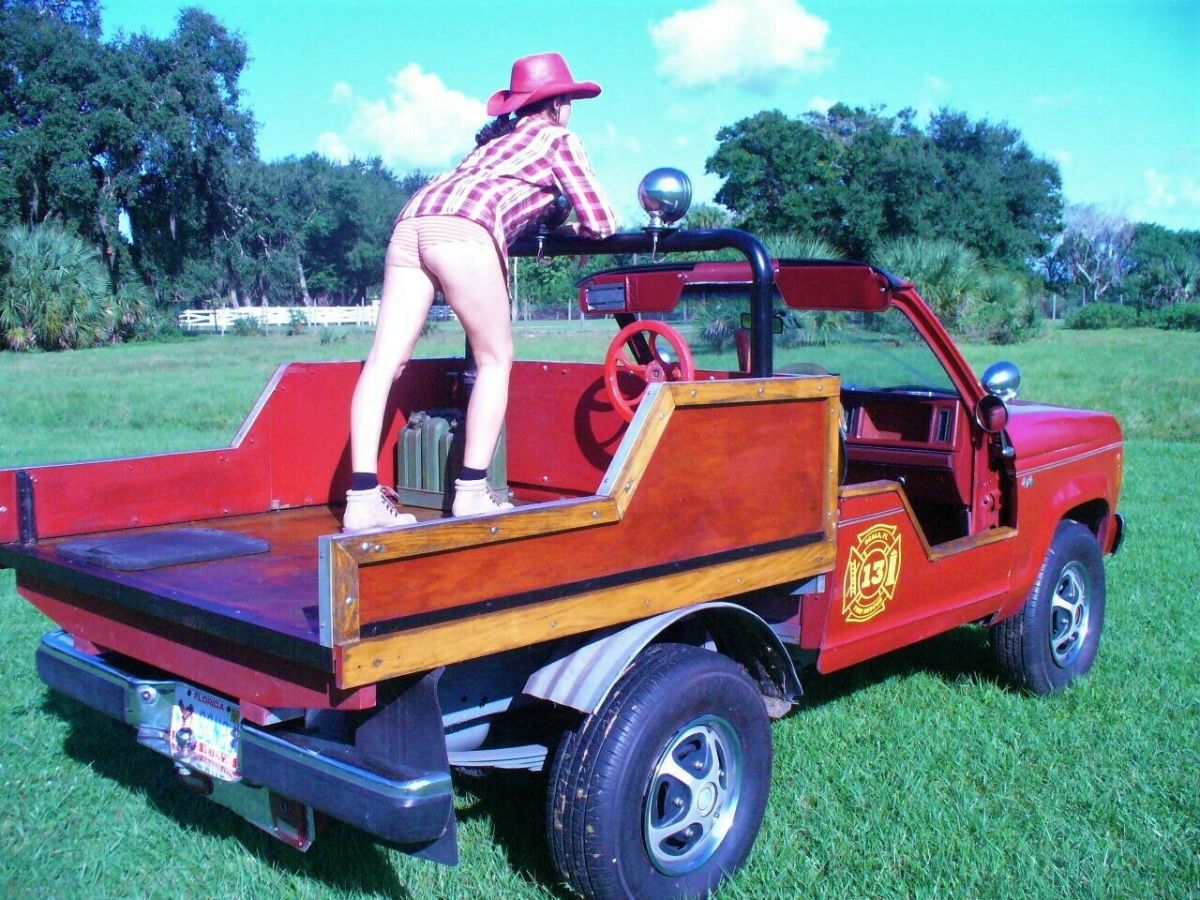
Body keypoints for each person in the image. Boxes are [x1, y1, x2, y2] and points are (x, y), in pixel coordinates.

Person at [343, 52, 618, 532]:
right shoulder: (558, 138)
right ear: (559, 105)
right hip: (464, 231)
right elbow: (602, 219)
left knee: (386, 360)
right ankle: (472, 491)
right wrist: (571, 225)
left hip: (412, 222)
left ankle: (362, 498)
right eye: (570, 100)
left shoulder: (492, 146)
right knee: (495, 359)